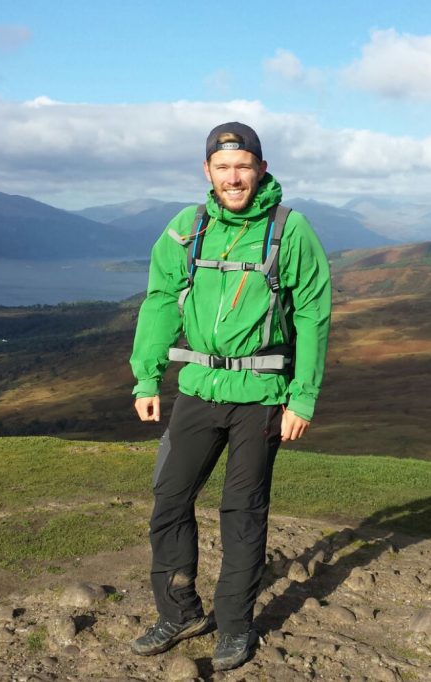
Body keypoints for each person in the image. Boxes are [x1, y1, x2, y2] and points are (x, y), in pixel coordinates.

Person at [128, 122, 331, 671]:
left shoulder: (290, 230)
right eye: (223, 168)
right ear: (208, 172)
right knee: (169, 499)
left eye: (244, 166)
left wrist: (302, 398)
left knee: (241, 511)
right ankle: (179, 612)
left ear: (261, 169)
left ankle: (236, 627)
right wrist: (147, 378)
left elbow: (313, 314)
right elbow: (160, 301)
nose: (234, 177)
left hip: (263, 393)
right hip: (197, 388)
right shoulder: (185, 229)